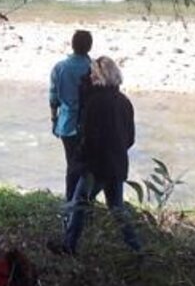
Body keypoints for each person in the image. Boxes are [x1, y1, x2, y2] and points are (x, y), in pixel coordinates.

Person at [49, 56, 142, 255]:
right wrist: (116, 151)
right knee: (117, 209)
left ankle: (69, 246)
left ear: (100, 76)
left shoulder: (95, 103)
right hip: (117, 163)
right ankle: (137, 249)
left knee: (78, 205)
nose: (89, 77)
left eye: (92, 73)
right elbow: (130, 138)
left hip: (96, 166)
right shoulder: (125, 102)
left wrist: (80, 161)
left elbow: (89, 138)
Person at [50, 30, 93, 201]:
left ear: (72, 45)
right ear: (90, 46)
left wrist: (54, 119)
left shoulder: (59, 67)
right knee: (89, 165)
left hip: (67, 123)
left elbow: (53, 98)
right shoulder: (94, 67)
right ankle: (85, 200)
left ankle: (70, 202)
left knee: (72, 164)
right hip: (91, 123)